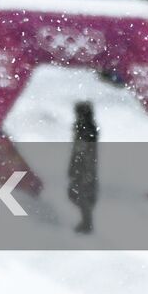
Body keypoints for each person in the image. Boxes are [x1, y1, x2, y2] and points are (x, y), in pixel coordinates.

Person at [68, 101, 99, 235]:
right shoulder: (85, 128)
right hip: (84, 167)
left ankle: (87, 223)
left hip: (85, 167)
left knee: (81, 194)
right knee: (79, 194)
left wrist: (78, 167)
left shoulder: (85, 129)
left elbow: (82, 151)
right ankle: (86, 222)